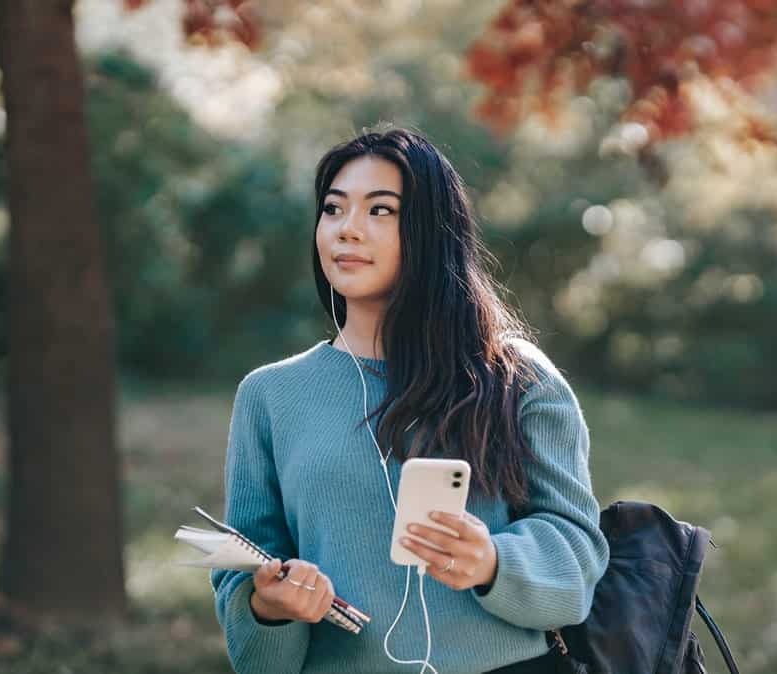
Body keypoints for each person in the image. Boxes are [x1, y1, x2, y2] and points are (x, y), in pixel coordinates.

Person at [210, 126, 609, 674]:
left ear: (430, 231)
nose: (347, 230)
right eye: (333, 208)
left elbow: (577, 555)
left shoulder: (514, 376)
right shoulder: (270, 395)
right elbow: (245, 597)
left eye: (381, 211)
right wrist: (268, 606)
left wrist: (492, 560)